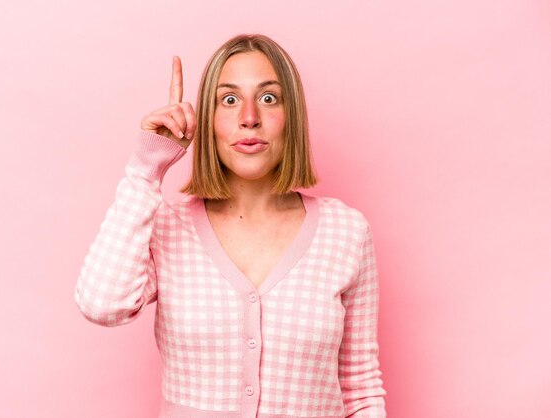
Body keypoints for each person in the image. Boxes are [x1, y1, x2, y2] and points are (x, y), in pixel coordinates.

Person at [74, 34, 387, 417]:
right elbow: (101, 304)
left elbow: (360, 388)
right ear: (208, 120)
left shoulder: (347, 233)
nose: (249, 117)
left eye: (269, 98)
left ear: (292, 117)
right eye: (230, 99)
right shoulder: (168, 228)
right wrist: (147, 167)